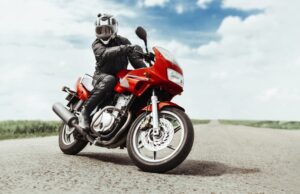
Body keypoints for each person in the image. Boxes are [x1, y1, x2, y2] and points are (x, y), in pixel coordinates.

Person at [78, 13, 146, 129]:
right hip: (100, 77)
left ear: (114, 29)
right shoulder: (96, 44)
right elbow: (104, 54)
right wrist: (126, 48)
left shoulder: (124, 41)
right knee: (110, 79)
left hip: (120, 78)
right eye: (100, 30)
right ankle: (85, 112)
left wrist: (146, 70)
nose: (104, 33)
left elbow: (135, 62)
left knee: (138, 86)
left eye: (107, 30)